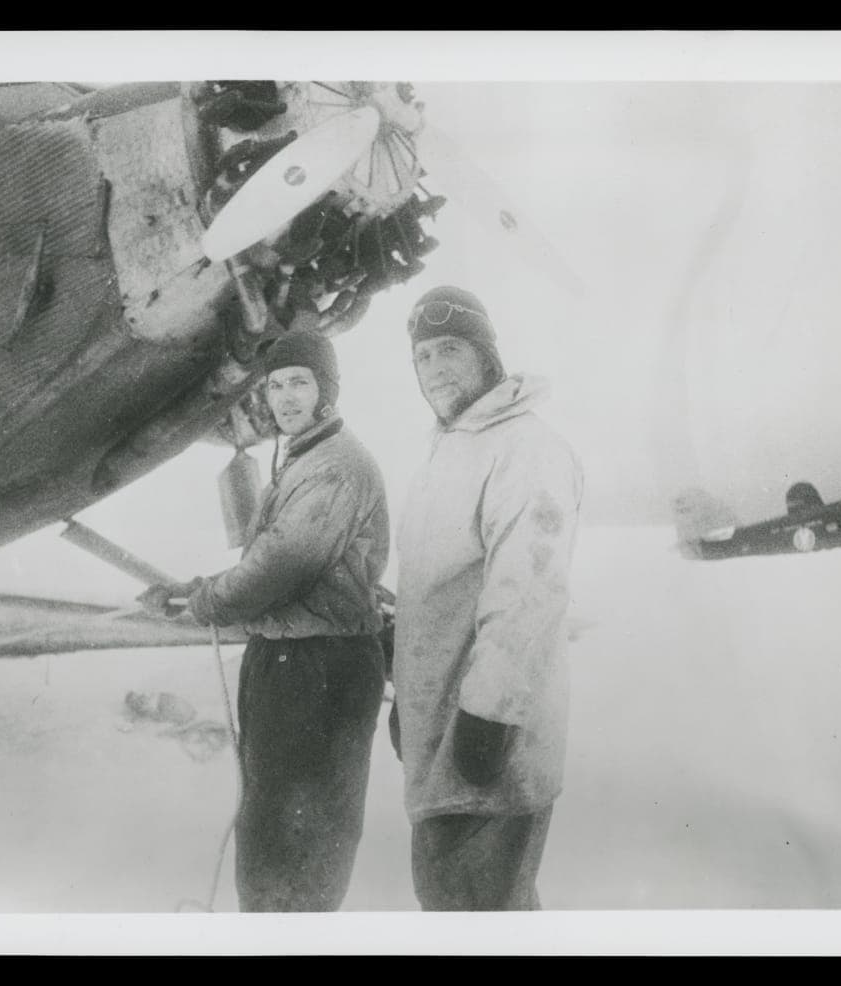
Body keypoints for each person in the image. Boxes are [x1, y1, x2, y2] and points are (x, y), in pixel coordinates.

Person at [143, 330, 389, 912]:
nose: (285, 398)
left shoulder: (335, 467)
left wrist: (202, 602)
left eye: (299, 382)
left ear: (326, 390)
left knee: (298, 845)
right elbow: (269, 561)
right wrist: (195, 591)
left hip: (318, 672)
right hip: (291, 663)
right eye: (275, 385)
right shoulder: (302, 457)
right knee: (272, 833)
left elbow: (279, 565)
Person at [389, 285, 584, 911]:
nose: (436, 368)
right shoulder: (452, 445)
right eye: (423, 357)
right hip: (443, 740)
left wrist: (489, 717)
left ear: (487, 355)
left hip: (489, 750)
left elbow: (527, 593)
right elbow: (437, 590)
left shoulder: (524, 448)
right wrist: (407, 692)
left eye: (451, 349)